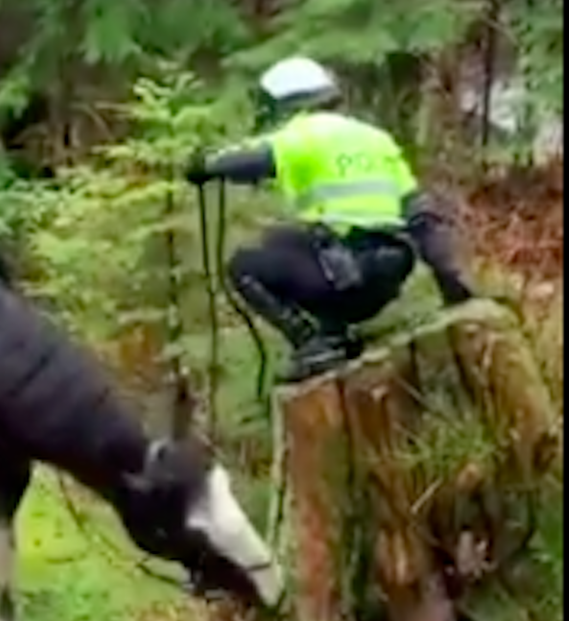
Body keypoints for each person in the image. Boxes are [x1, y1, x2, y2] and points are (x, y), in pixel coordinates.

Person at [186, 56, 475, 382]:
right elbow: (421, 215)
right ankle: (335, 333)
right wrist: (451, 282)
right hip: (389, 272)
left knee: (245, 264)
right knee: (290, 241)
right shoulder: (376, 139)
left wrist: (204, 166)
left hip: (341, 273)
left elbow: (249, 158)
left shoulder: (301, 134)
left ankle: (313, 344)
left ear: (284, 104)